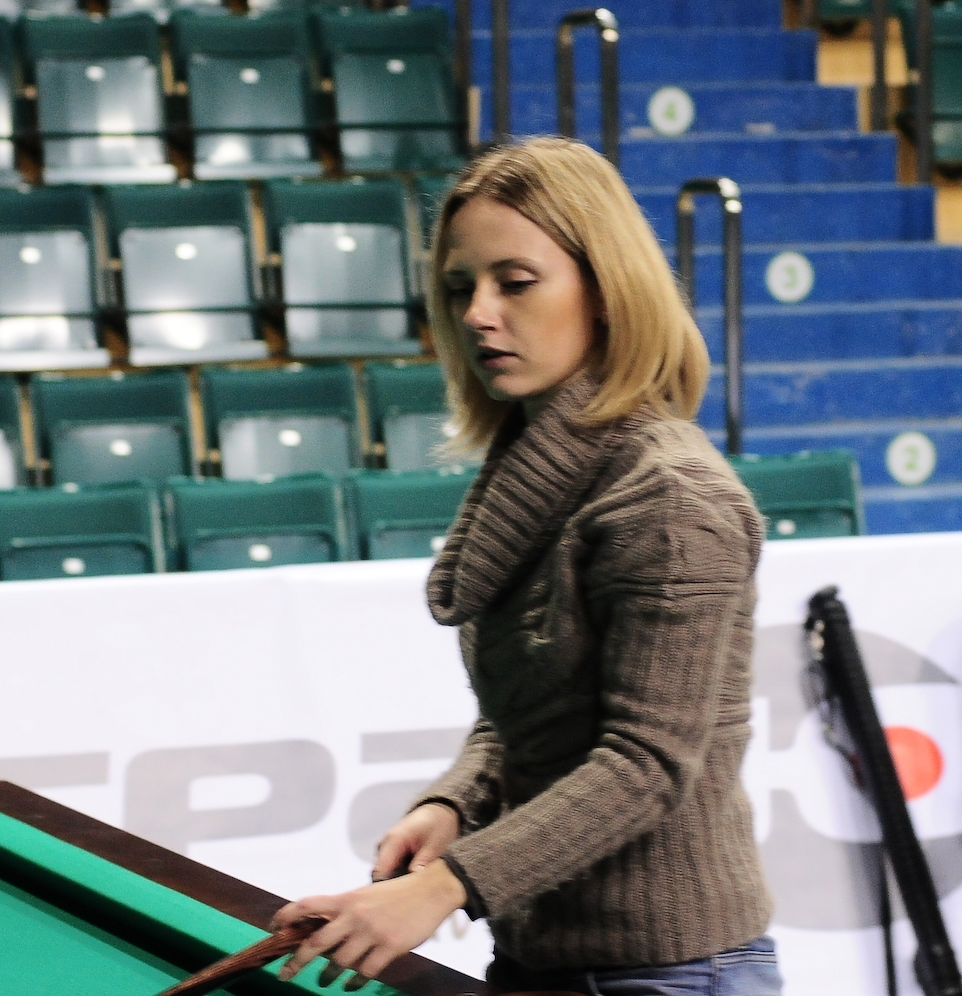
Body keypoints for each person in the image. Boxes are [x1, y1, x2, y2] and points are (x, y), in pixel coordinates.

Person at [271, 136, 780, 996]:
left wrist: (443, 887)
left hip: (667, 975)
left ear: (607, 290)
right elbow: (539, 714)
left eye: (515, 282)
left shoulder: (671, 498)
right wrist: (456, 803)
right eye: (460, 287)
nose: (478, 313)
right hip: (546, 960)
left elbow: (647, 764)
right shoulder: (545, 461)